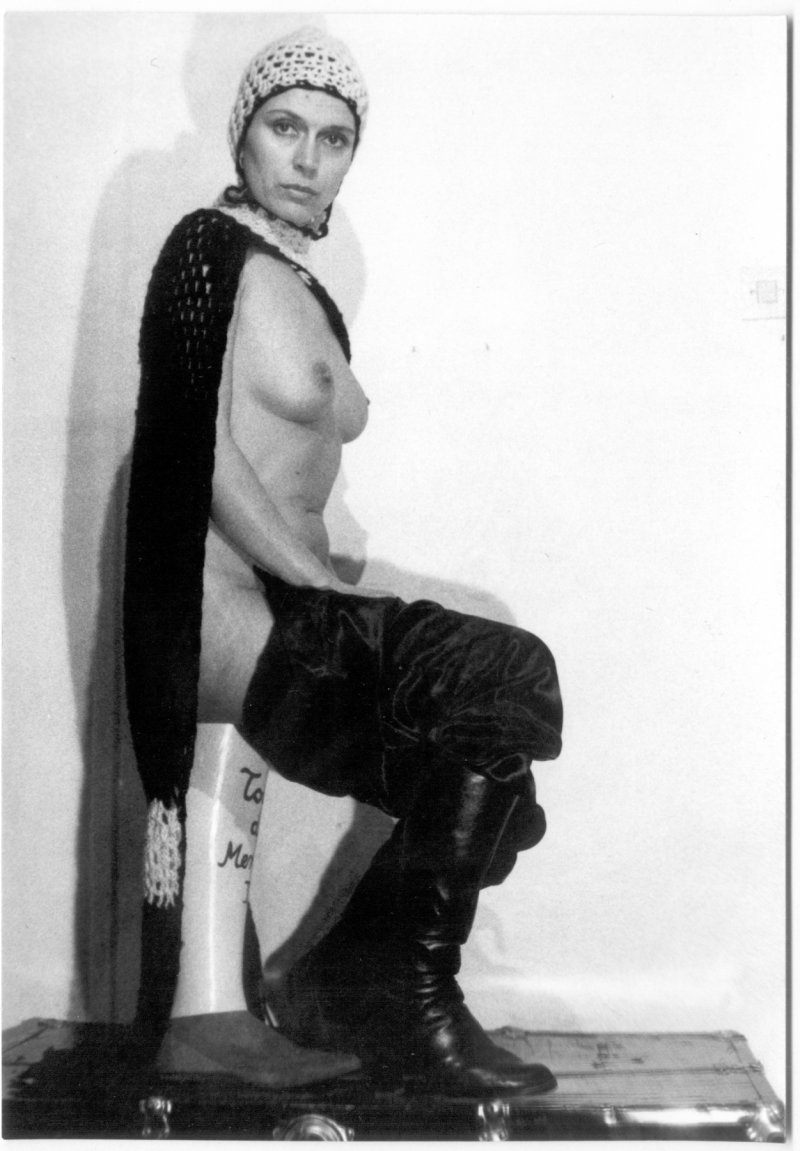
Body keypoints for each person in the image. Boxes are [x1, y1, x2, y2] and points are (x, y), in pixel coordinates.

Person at [124, 26, 563, 1097]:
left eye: (334, 138)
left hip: (285, 605)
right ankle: (397, 992)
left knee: (498, 772)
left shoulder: (302, 286)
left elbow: (298, 462)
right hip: (221, 612)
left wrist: (338, 573)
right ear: (242, 135)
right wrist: (314, 582)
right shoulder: (204, 250)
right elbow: (191, 444)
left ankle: (347, 977)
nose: (308, 157)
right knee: (504, 675)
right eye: (286, 128)